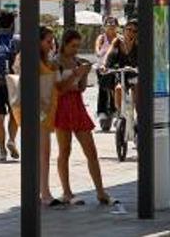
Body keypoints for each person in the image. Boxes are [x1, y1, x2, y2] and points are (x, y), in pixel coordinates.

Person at [53, 29, 114, 206]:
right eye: (73, 46)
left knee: (91, 151)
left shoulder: (76, 61)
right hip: (62, 107)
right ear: (64, 44)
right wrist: (76, 73)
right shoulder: (56, 63)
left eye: (78, 46)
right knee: (65, 150)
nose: (75, 49)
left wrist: (84, 74)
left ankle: (100, 191)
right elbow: (59, 89)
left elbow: (80, 89)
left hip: (77, 105)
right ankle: (66, 191)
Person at [15, 27, 60, 206]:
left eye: (52, 41)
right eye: (48, 41)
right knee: (41, 151)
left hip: (45, 109)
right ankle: (43, 192)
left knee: (43, 152)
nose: (51, 45)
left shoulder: (46, 59)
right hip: (35, 110)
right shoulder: (29, 58)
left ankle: (43, 190)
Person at [0, 11, 20, 161]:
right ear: (12, 24)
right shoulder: (17, 40)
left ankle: (1, 151)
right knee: (14, 115)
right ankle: (11, 140)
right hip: (13, 82)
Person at [105, 20, 139, 116]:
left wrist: (129, 45)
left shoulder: (138, 44)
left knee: (137, 91)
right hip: (121, 72)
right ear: (124, 30)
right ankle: (121, 114)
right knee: (118, 89)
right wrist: (104, 65)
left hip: (134, 72)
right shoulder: (118, 41)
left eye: (134, 31)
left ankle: (140, 119)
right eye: (129, 29)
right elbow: (109, 53)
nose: (131, 32)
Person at [94, 17, 120, 127]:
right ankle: (102, 112)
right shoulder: (101, 38)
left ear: (117, 26)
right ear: (104, 26)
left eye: (113, 24)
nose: (111, 26)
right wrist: (100, 52)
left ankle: (116, 111)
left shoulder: (119, 38)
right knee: (103, 89)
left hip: (115, 67)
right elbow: (97, 49)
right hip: (102, 67)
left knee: (116, 89)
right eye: (108, 24)